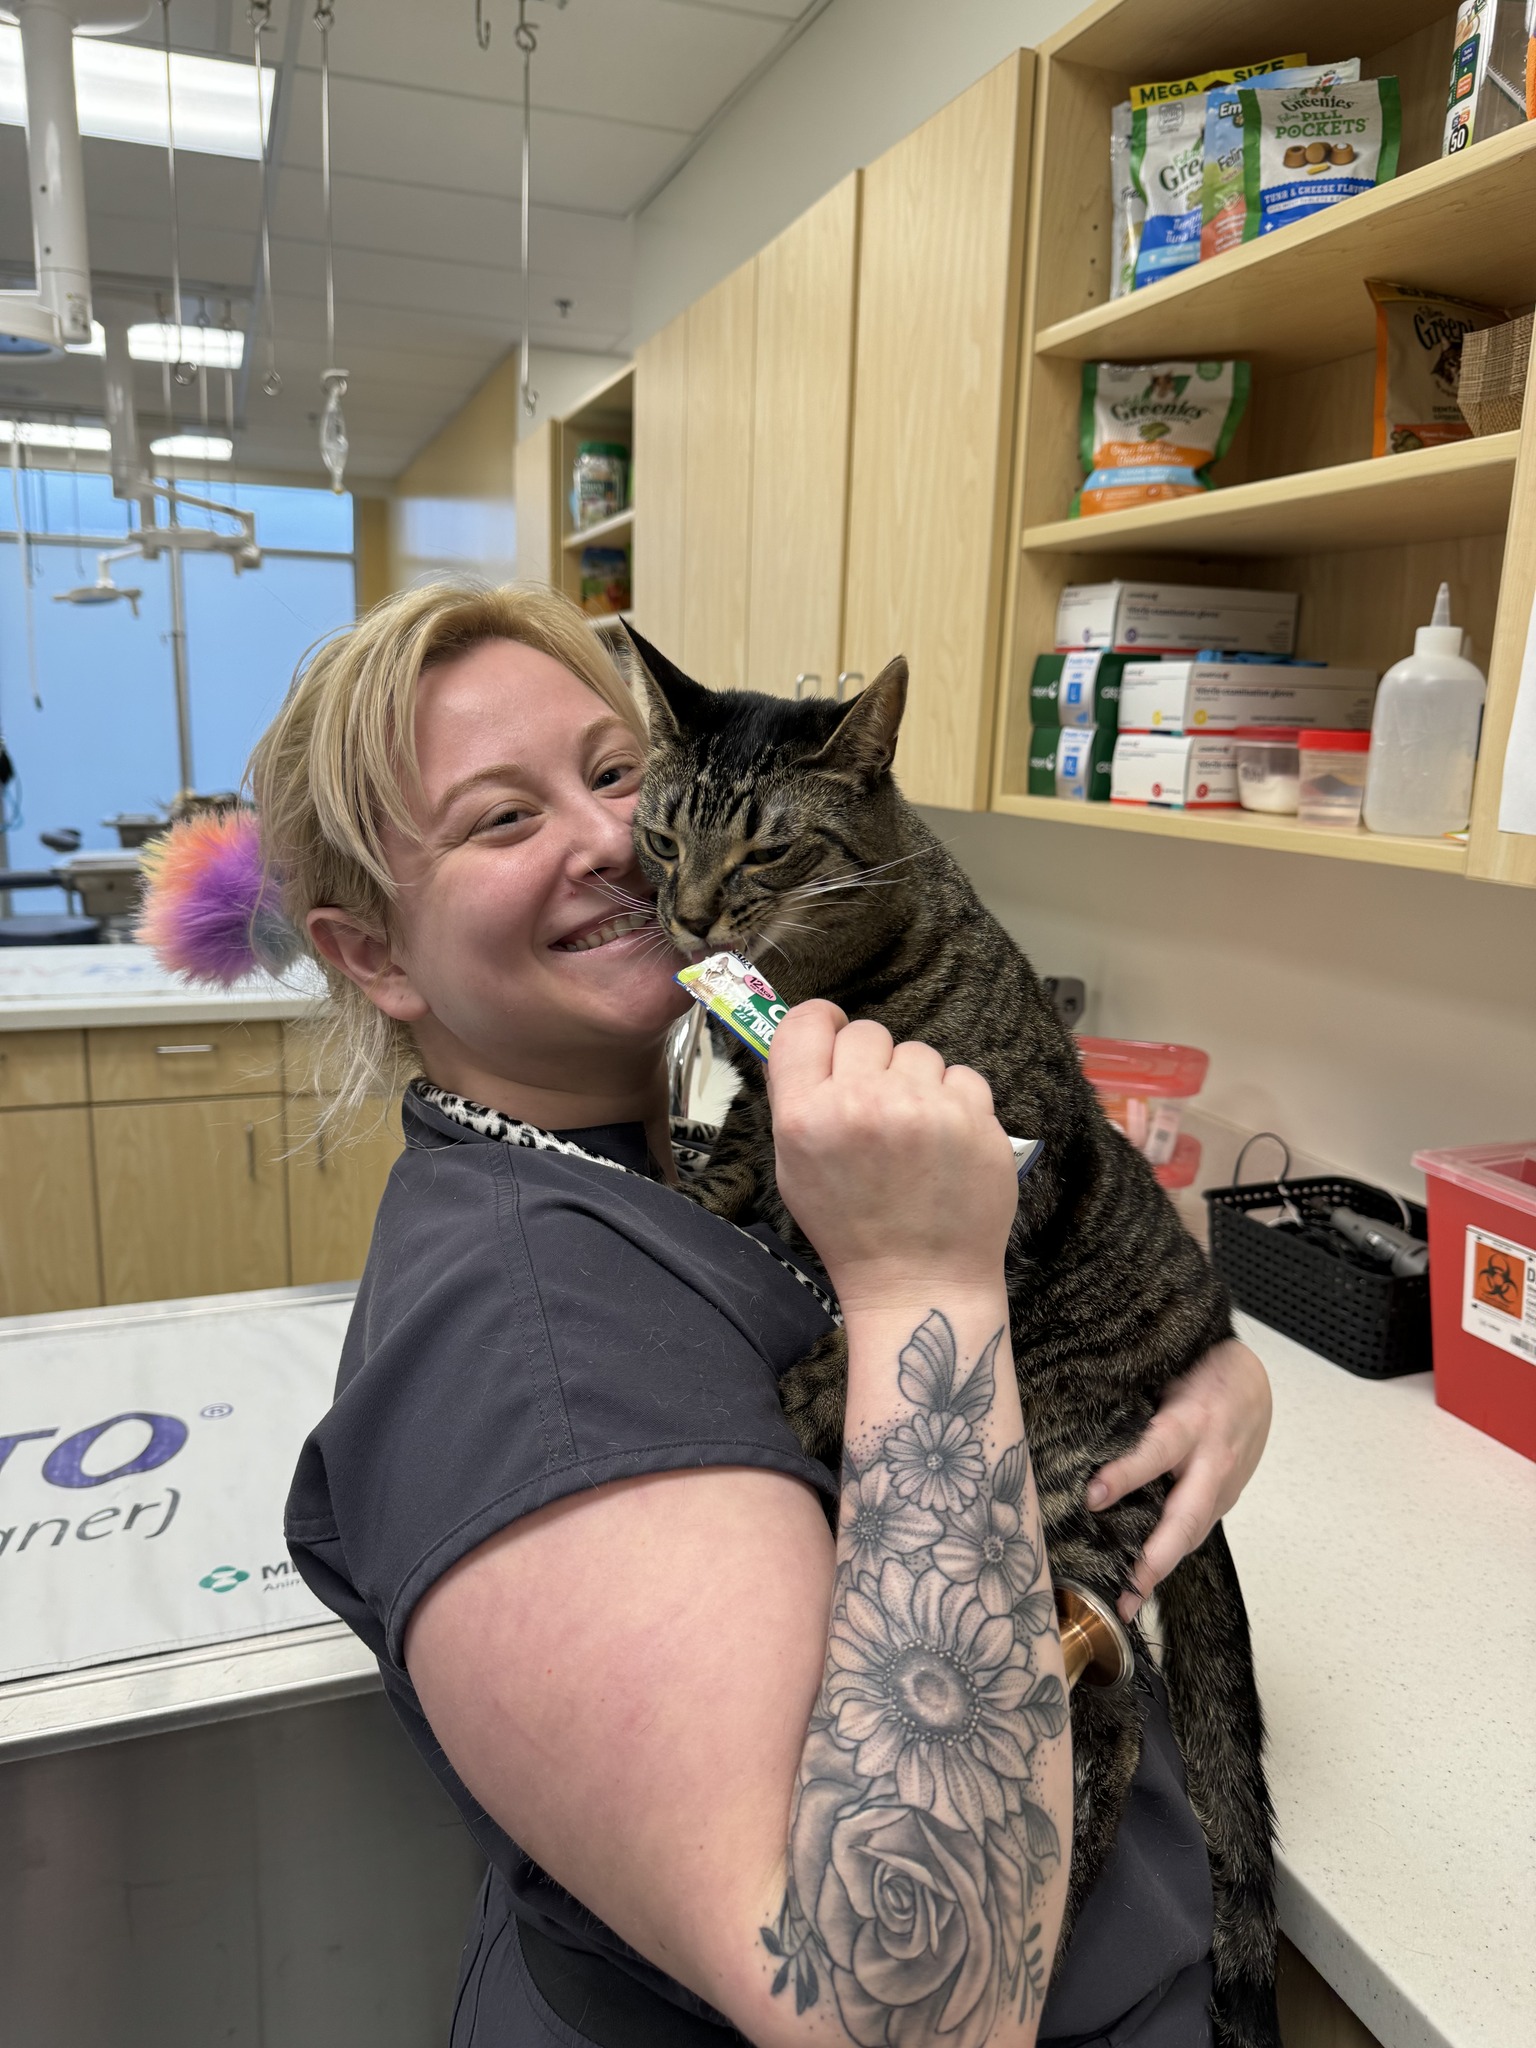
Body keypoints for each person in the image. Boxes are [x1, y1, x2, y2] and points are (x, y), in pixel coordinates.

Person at [261, 583, 1273, 2048]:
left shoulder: (655, 1146)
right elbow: (903, 2010)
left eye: (617, 775)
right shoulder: (524, 1339)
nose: (620, 842)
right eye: (499, 820)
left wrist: (1206, 1366)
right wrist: (928, 1284)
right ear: (375, 954)